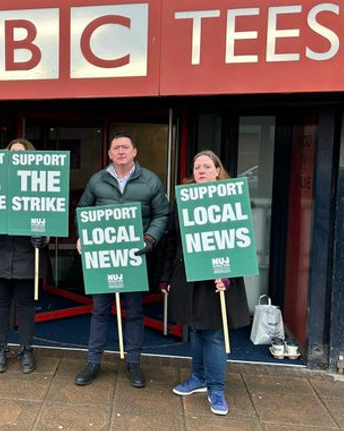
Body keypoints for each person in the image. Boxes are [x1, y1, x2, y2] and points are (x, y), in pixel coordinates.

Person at [74, 132, 169, 388]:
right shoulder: (97, 180)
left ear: (134, 151)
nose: (121, 151)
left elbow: (162, 214)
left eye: (125, 147)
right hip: (104, 258)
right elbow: (82, 210)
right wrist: (83, 235)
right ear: (109, 154)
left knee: (135, 312)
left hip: (134, 258)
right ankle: (93, 362)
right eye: (116, 148)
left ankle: (134, 363)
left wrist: (150, 238)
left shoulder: (151, 181)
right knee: (99, 311)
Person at [161, 150, 250, 416]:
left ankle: (216, 388)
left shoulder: (229, 199)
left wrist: (229, 277)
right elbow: (172, 241)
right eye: (197, 167)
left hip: (217, 279)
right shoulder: (184, 200)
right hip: (189, 276)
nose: (200, 170)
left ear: (217, 170)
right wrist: (165, 276)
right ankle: (198, 378)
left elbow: (239, 241)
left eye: (206, 166)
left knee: (213, 334)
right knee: (196, 331)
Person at [0, 138, 48, 374]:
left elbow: (50, 215)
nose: (16, 158)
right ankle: (1, 348)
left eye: (21, 154)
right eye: (12, 153)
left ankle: (26, 349)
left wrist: (44, 237)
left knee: (25, 304)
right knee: (0, 302)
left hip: (27, 253)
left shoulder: (39, 185)